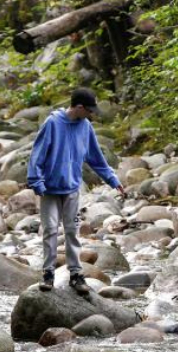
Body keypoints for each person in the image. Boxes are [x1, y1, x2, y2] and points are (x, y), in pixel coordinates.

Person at [27, 88, 127, 295]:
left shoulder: (86, 127)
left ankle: (76, 275)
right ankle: (48, 274)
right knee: (51, 231)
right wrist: (36, 182)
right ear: (79, 107)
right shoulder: (53, 124)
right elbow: (37, 154)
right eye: (89, 110)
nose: (91, 114)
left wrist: (112, 179)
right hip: (50, 189)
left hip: (72, 188)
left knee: (72, 232)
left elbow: (95, 157)